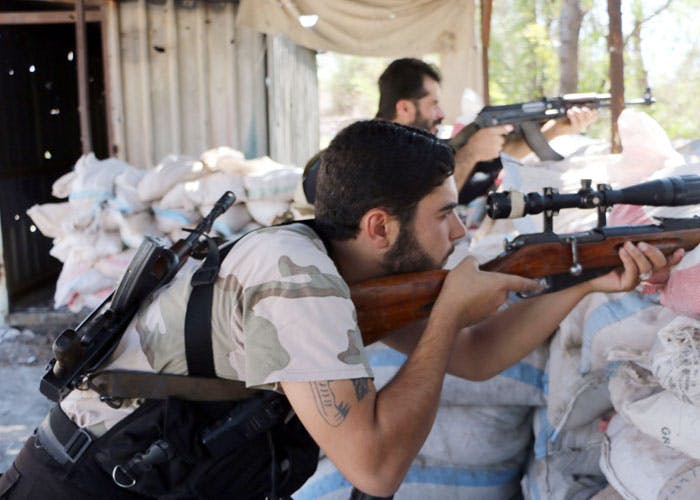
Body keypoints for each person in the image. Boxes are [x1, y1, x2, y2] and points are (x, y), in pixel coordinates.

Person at [0, 121, 677, 500]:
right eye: (445, 216)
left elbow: (472, 357)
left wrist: (586, 282)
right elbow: (375, 470)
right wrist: (448, 316)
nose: (462, 234)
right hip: (83, 489)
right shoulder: (297, 282)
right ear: (380, 227)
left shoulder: (336, 265)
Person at [299, 57, 598, 209]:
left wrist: (556, 130)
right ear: (404, 109)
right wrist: (468, 154)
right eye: (433, 104)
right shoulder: (361, 152)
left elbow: (496, 159)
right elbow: (418, 207)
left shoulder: (424, 149)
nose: (441, 113)